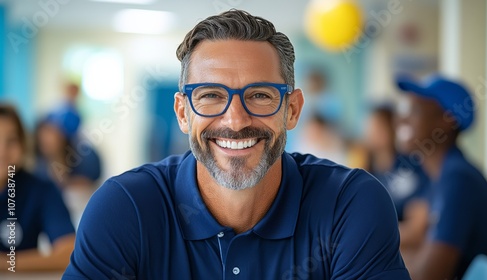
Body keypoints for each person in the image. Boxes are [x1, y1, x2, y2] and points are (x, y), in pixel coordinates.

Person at [63, 10, 410, 279]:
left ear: (292, 110)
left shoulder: (350, 204)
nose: (235, 120)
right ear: (183, 114)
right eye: (211, 95)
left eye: (259, 95)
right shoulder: (125, 209)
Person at [395, 74, 487, 279]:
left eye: (414, 111)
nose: (402, 119)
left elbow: (430, 275)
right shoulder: (441, 176)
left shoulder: (459, 180)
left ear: (447, 120)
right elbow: (418, 242)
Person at [0, 104, 75, 271]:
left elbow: (69, 253)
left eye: (11, 140)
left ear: (23, 144)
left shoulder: (41, 190)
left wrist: (6, 264)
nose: (2, 151)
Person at [364, 103, 429, 221]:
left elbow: (425, 199)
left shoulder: (412, 162)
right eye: (371, 127)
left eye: (380, 127)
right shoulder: (366, 176)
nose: (374, 133)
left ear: (392, 128)